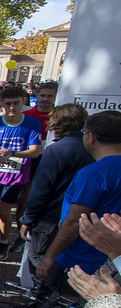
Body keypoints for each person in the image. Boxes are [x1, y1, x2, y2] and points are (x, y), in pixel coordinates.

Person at [36, 111, 121, 289]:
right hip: (114, 263)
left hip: (81, 262)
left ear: (91, 137)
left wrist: (49, 257)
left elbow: (74, 221)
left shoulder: (93, 174)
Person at [19, 104, 94, 278]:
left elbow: (41, 190)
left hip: (51, 219)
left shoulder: (56, 150)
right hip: (82, 220)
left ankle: (42, 300)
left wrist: (28, 219)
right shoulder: (91, 149)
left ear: (56, 122)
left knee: (40, 262)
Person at [0, 86, 44, 260]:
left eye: (16, 103)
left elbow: (35, 151)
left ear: (23, 101)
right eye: (8, 104)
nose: (12, 107)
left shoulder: (32, 123)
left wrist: (12, 154)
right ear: (2, 105)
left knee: (3, 211)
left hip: (17, 176)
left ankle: (4, 242)